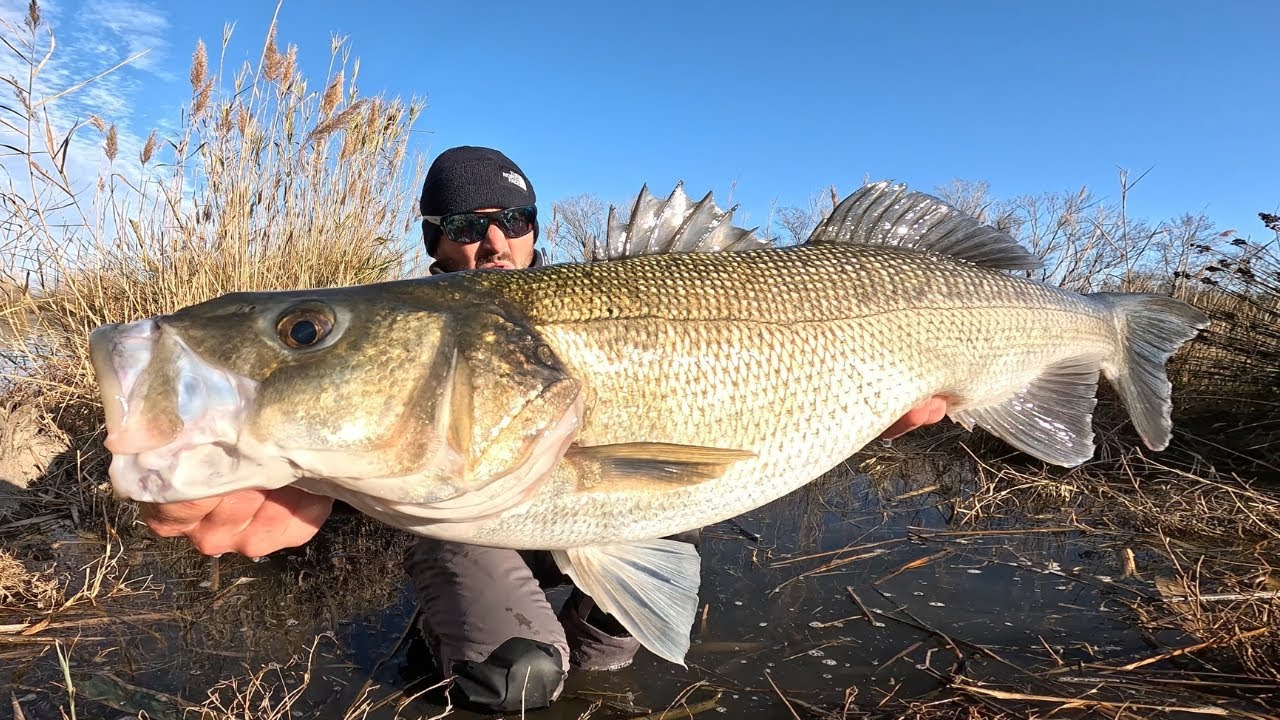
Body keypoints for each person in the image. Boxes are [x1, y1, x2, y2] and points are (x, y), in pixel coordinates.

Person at [139, 146, 950, 712]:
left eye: (514, 217)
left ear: (532, 224)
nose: (494, 239)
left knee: (614, 653)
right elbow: (387, 436)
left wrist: (857, 411)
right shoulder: (422, 329)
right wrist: (309, 479)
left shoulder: (606, 293)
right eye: (464, 226)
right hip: (474, 521)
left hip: (595, 509)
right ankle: (477, 651)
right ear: (434, 243)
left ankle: (582, 661)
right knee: (515, 679)